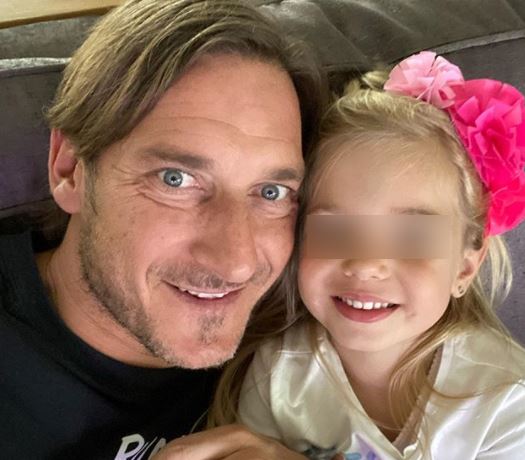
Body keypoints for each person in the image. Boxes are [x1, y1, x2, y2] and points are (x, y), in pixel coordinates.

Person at [0, 0, 326, 458]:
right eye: (176, 179)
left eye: (271, 192)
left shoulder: (308, 334)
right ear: (69, 169)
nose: (236, 262)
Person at [208, 51, 525, 459]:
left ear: (464, 266)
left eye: (411, 237)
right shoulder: (279, 373)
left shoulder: (506, 400)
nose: (366, 264)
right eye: (335, 230)